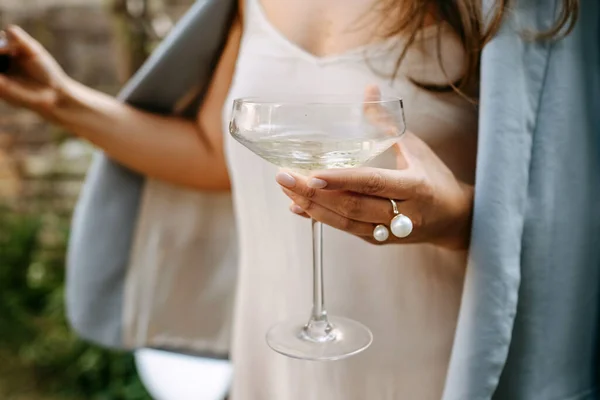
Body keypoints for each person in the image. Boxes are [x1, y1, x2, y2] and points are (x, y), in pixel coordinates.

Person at [0, 0, 583, 399]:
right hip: (271, 370)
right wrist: (60, 99)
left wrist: (452, 216)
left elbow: (569, 198)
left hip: (432, 366)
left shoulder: (525, 13)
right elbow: (211, 151)